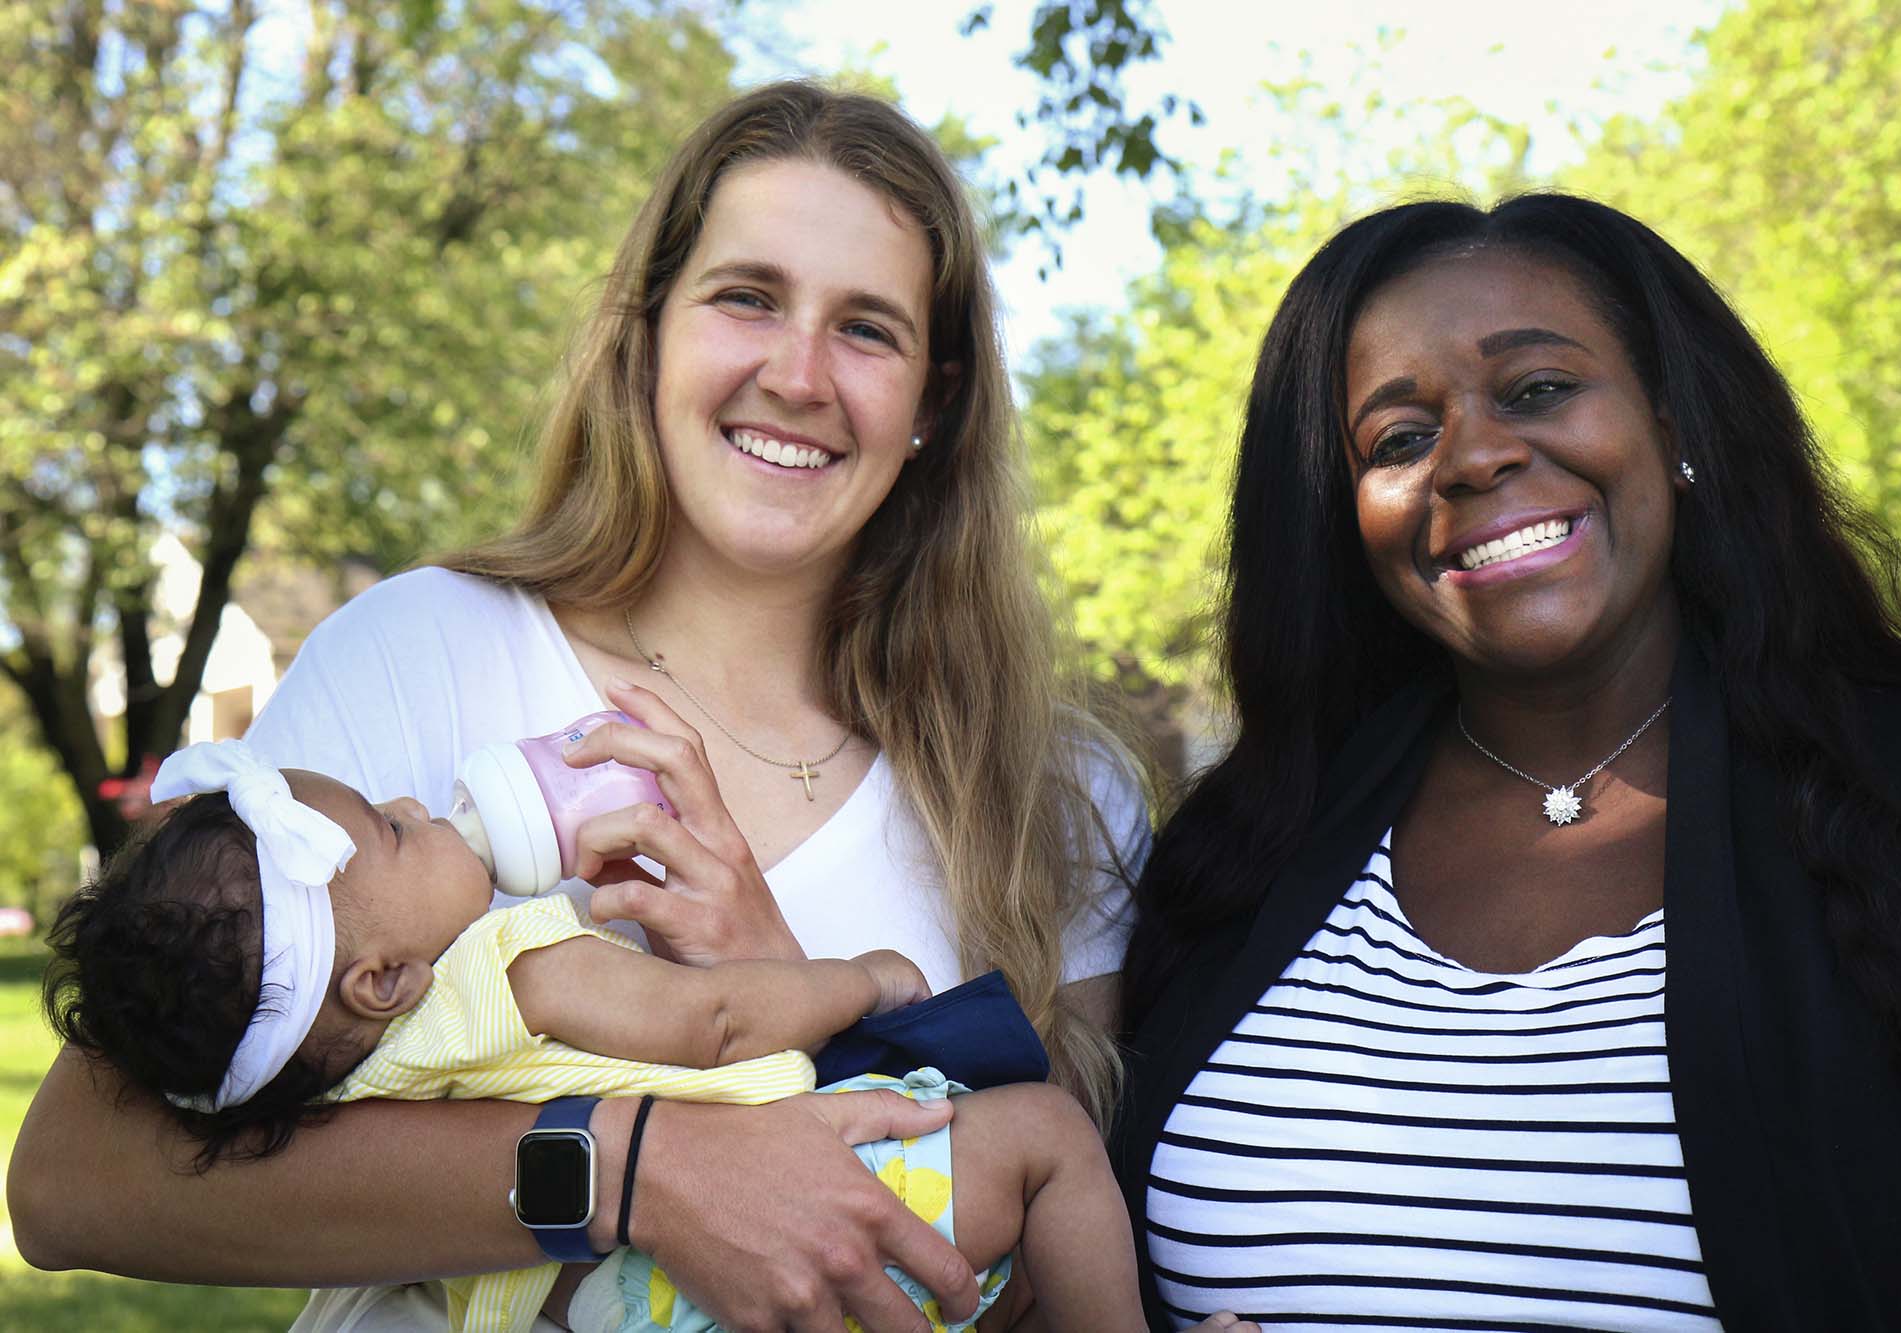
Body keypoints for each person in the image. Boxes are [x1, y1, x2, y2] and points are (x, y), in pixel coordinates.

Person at [11, 81, 1152, 1333]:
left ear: (933, 403)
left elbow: (1036, 1255)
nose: (798, 373)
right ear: (647, 332)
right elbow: (79, 1181)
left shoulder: (1047, 792)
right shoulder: (427, 650)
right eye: (746, 297)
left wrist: (790, 997)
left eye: (868, 329)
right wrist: (634, 1171)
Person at [1111, 194, 1901, 1331]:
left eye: (1536, 389)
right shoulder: (1241, 850)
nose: (1472, 456)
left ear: (1674, 422)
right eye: (1396, 440)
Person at [42, 739, 1174, 1332]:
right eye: (393, 829)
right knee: (1040, 1137)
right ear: (381, 976)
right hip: (759, 1252)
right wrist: (858, 978)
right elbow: (716, 1020)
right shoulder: (509, 966)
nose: (420, 807)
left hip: (626, 1308)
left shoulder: (338, 1090)